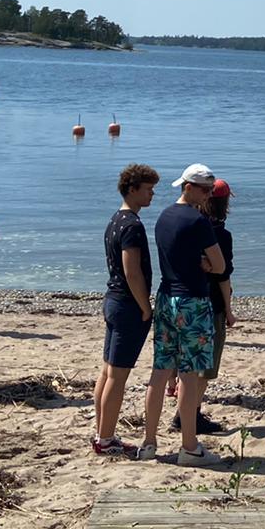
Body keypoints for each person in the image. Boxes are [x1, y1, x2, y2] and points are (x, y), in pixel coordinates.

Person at [138, 163, 227, 465]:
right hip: (193, 301)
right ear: (188, 187)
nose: (208, 196)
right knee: (189, 375)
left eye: (210, 191)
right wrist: (205, 263)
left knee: (160, 370)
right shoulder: (198, 221)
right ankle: (189, 446)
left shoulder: (164, 216)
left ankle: (149, 442)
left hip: (166, 296)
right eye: (205, 190)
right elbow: (219, 265)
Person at [92, 163, 159, 457]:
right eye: (148, 189)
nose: (152, 194)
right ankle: (106, 438)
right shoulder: (131, 225)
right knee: (117, 376)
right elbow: (132, 271)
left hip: (114, 300)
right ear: (132, 190)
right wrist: (146, 306)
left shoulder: (115, 220)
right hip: (127, 304)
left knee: (108, 371)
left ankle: (102, 432)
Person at [188, 178, 237, 436]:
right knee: (206, 367)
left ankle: (186, 412)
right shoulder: (221, 235)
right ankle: (191, 414)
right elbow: (223, 276)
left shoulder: (191, 225)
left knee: (188, 363)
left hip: (186, 298)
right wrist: (228, 309)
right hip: (212, 303)